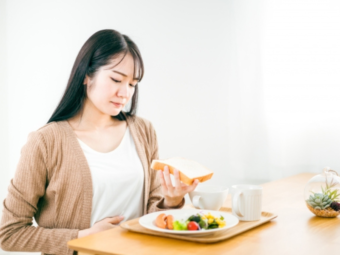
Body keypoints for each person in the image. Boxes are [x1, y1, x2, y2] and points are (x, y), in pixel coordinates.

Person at [0, 29, 199, 255]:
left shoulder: (144, 131)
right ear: (86, 75)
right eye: (116, 79)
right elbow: (10, 233)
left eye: (133, 84)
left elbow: (151, 215)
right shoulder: (46, 141)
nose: (125, 93)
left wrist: (171, 202)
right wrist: (82, 238)